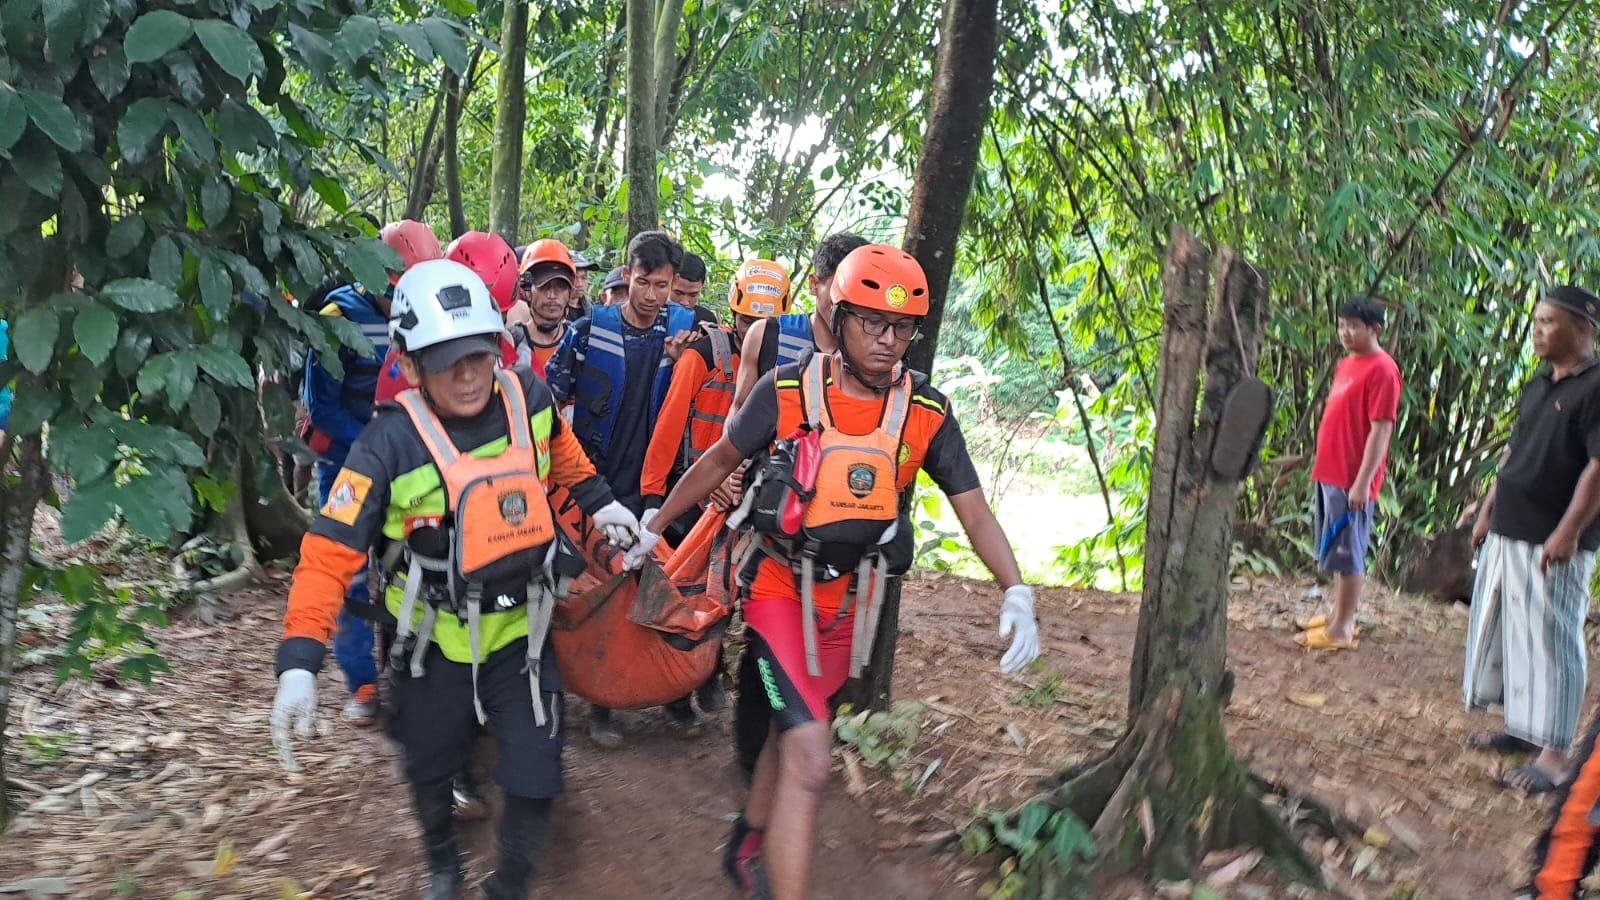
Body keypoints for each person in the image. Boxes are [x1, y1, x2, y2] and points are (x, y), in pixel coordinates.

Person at [623, 244, 1042, 900]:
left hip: (851, 604)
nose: (887, 339)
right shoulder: (788, 392)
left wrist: (1015, 589)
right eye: (872, 321)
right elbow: (715, 462)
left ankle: (748, 841)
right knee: (813, 756)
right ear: (839, 317)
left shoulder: (925, 412)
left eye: (902, 327)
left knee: (796, 738)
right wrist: (652, 525)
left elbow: (974, 509)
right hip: (775, 589)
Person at [270, 259, 641, 900]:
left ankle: (509, 888)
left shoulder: (529, 397)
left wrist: (603, 504)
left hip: (519, 639)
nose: (469, 374)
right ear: (409, 366)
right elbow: (329, 552)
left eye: (479, 355)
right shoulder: (388, 445)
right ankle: (442, 858)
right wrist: (299, 659)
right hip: (428, 647)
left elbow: (564, 458)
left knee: (534, 777)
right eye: (446, 361)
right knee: (429, 768)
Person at [544, 230, 698, 749]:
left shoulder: (685, 335)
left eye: (663, 285)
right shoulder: (586, 333)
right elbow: (549, 402)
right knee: (597, 589)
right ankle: (595, 702)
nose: (654, 295)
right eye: (644, 282)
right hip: (594, 483)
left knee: (655, 583)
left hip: (656, 486)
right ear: (625, 276)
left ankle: (667, 689)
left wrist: (684, 364)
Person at [639, 259, 791, 727]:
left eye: (762, 323)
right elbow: (668, 429)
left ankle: (707, 675)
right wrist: (652, 500)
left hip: (743, 503)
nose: (752, 332)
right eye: (746, 321)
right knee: (680, 595)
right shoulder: (702, 354)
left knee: (724, 595)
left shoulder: (793, 368)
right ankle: (674, 688)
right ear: (733, 315)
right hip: (691, 493)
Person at [301, 218, 441, 724]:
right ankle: (361, 681)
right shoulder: (339, 316)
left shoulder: (427, 313)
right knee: (351, 570)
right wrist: (375, 447)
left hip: (412, 461)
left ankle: (417, 669)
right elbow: (321, 408)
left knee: (422, 564)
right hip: (348, 459)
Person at [1464, 286, 1600, 795]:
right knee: (1514, 635)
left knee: (1552, 640)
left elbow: (1598, 467)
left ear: (1583, 330)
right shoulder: (1541, 383)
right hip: (1512, 527)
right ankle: (1524, 728)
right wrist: (1486, 508)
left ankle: (1556, 756)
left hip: (1554, 536)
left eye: (1549, 321)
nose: (1538, 330)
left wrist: (1569, 529)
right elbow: (1514, 454)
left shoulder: (1596, 387)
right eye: (1536, 320)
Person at [1292, 297, 1401, 651]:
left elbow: (1381, 430)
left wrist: (1362, 482)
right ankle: (1339, 615)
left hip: (1352, 477)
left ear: (1375, 329)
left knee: (1349, 552)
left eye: (1353, 326)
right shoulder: (1347, 364)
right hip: (1331, 470)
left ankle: (1341, 628)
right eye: (1341, 326)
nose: (1345, 333)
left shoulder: (1383, 369)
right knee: (1338, 550)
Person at [730, 233, 868, 414]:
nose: (847, 305)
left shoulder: (873, 351)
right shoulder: (766, 335)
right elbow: (739, 409)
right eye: (839, 292)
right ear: (814, 285)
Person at [514, 239, 578, 377]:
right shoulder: (511, 343)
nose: (552, 295)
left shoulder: (578, 341)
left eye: (560, 287)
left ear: (570, 292)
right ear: (527, 291)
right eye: (544, 286)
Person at [568, 250, 600, 321]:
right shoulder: (554, 310)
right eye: (574, 278)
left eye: (583, 278)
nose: (579, 284)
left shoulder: (592, 310)